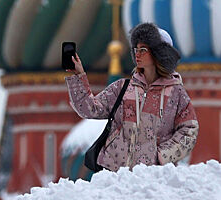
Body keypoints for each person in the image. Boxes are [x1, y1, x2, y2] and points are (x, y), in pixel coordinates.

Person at [65, 22, 199, 171]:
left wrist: (162, 156)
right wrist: (78, 76)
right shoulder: (123, 88)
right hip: (115, 174)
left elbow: (189, 130)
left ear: (159, 53)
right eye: (136, 49)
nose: (137, 53)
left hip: (152, 176)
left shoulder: (176, 93)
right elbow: (89, 109)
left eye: (143, 49)